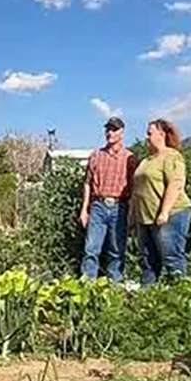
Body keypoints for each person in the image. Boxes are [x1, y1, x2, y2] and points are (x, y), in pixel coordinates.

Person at [131, 118, 191, 285]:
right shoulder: (147, 160)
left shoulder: (172, 156)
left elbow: (175, 184)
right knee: (148, 260)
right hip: (145, 217)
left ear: (162, 134)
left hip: (170, 214)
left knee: (171, 256)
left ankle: (181, 294)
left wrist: (164, 212)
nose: (147, 137)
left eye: (150, 133)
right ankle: (148, 296)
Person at [78, 116, 137, 283]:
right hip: (98, 206)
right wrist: (84, 210)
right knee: (91, 248)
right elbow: (87, 184)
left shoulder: (130, 158)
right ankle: (88, 283)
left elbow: (134, 189)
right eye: (108, 129)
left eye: (114, 129)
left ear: (122, 133)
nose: (110, 132)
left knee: (116, 249)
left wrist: (132, 213)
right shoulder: (96, 156)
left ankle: (115, 284)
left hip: (120, 207)